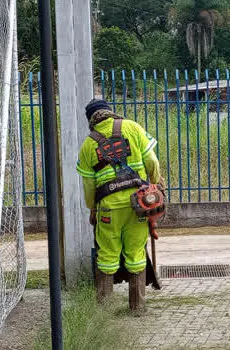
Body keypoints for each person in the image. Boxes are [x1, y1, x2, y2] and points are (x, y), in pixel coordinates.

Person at [76, 99, 163, 313]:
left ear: (91, 120)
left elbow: (89, 186)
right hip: (139, 204)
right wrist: (156, 182)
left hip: (109, 209)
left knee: (107, 257)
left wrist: (93, 209)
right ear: (110, 113)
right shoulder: (132, 127)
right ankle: (138, 307)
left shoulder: (88, 145)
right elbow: (151, 161)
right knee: (135, 254)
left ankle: (104, 311)